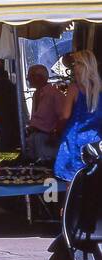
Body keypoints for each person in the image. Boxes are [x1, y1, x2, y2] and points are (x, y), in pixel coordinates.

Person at [53, 51, 102, 187]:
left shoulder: (75, 88)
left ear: (83, 66)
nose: (73, 67)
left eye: (75, 64)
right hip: (96, 144)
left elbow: (65, 116)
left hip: (74, 143)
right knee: (93, 188)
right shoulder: (99, 89)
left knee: (72, 188)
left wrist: (56, 130)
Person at [25, 64, 70, 165]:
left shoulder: (55, 94)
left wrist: (55, 134)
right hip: (34, 136)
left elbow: (63, 117)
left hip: (46, 138)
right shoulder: (36, 94)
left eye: (30, 76)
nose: (28, 79)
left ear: (39, 77)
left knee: (45, 167)